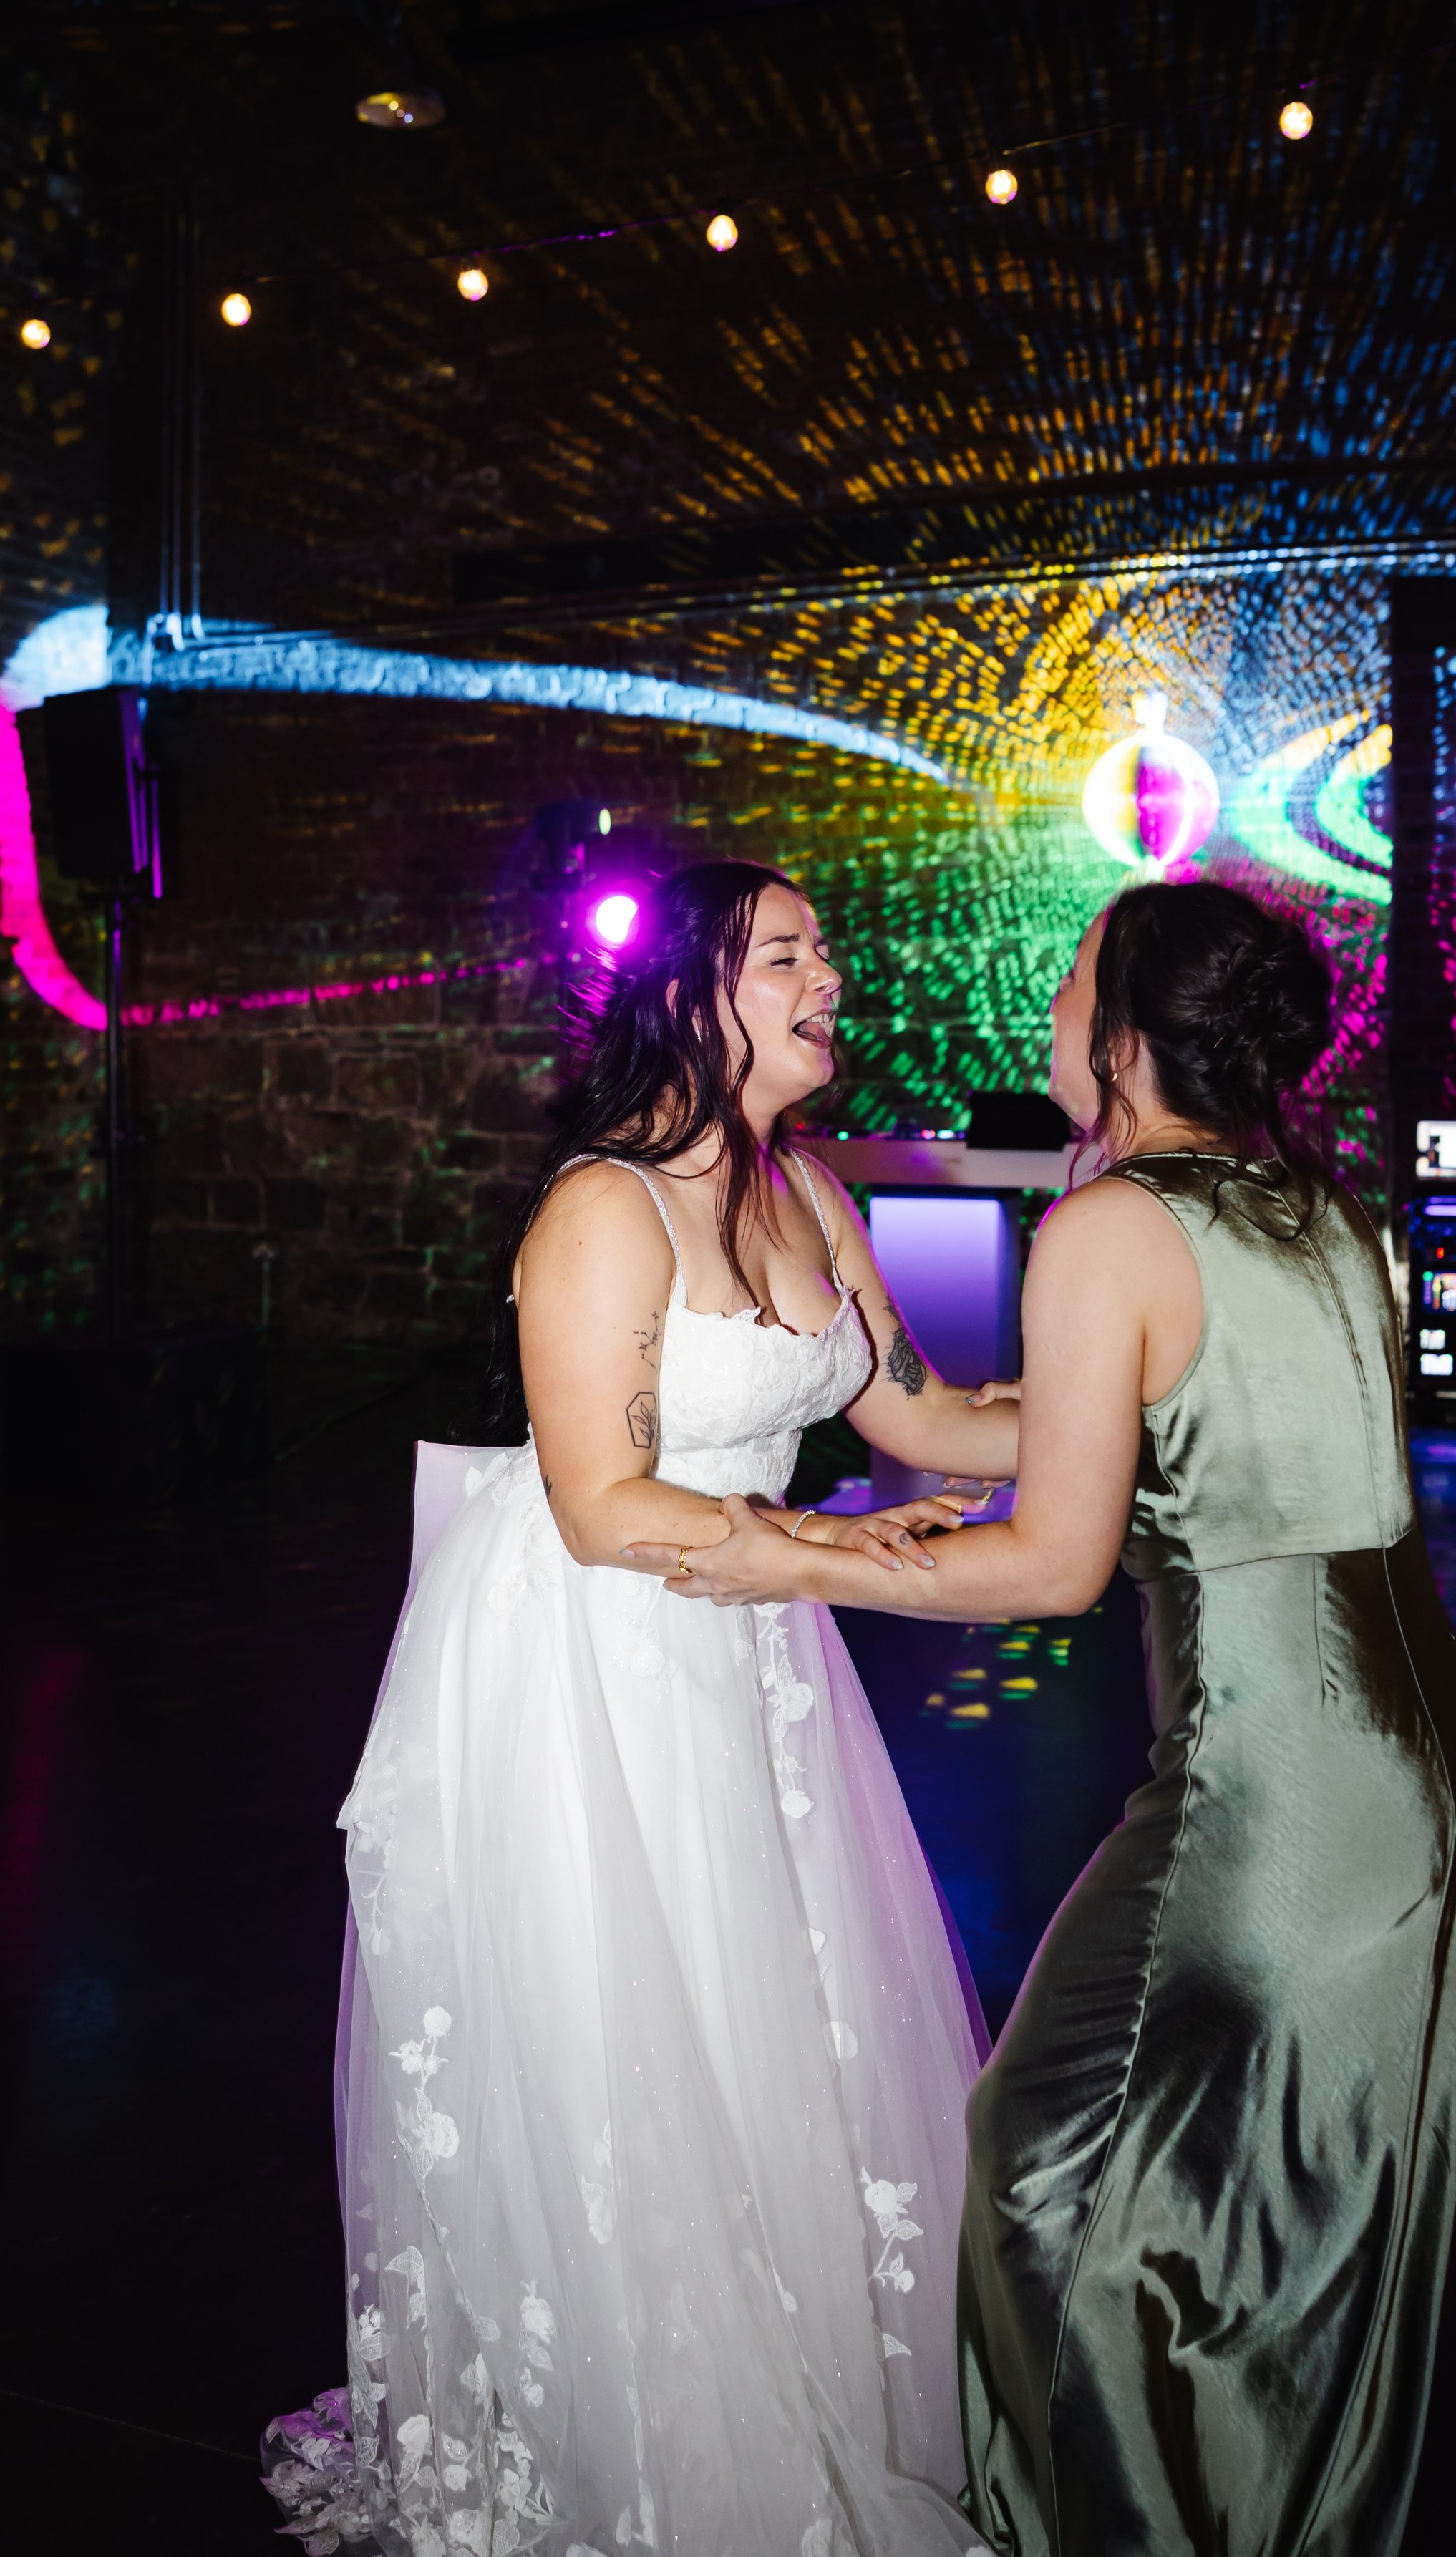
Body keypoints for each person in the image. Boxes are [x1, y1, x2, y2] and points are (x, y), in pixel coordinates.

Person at [632, 879, 1456, 2557]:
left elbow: (1050, 1563)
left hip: (1272, 1769)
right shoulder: (1314, 1206)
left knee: (1043, 2158)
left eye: (1074, 974)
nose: (1049, 1000)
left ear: (1122, 1031)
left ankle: (1111, 2526)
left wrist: (786, 1557)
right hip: (1408, 1739)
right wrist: (869, 1401)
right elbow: (1037, 1430)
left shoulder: (1112, 1226)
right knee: (1290, 2190)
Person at [265, 860, 1019, 2557]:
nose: (831, 969)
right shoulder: (601, 1208)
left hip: (754, 1634)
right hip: (591, 1658)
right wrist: (832, 1557)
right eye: (788, 951)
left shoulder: (813, 1190)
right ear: (693, 993)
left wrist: (1126, 1411)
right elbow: (601, 1505)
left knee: (772, 2026)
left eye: (824, 945)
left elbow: (929, 1414)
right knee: (630, 2040)